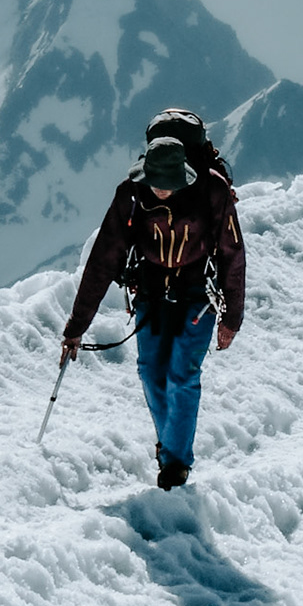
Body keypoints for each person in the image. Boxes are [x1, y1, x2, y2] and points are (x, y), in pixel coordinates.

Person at [61, 132, 245, 490]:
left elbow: (232, 254)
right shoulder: (129, 195)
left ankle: (175, 465)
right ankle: (171, 447)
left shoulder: (213, 192)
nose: (160, 190)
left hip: (198, 295)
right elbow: (102, 260)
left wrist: (231, 318)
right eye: (155, 183)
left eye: (167, 184)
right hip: (149, 293)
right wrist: (76, 326)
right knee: (150, 373)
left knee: (182, 375)